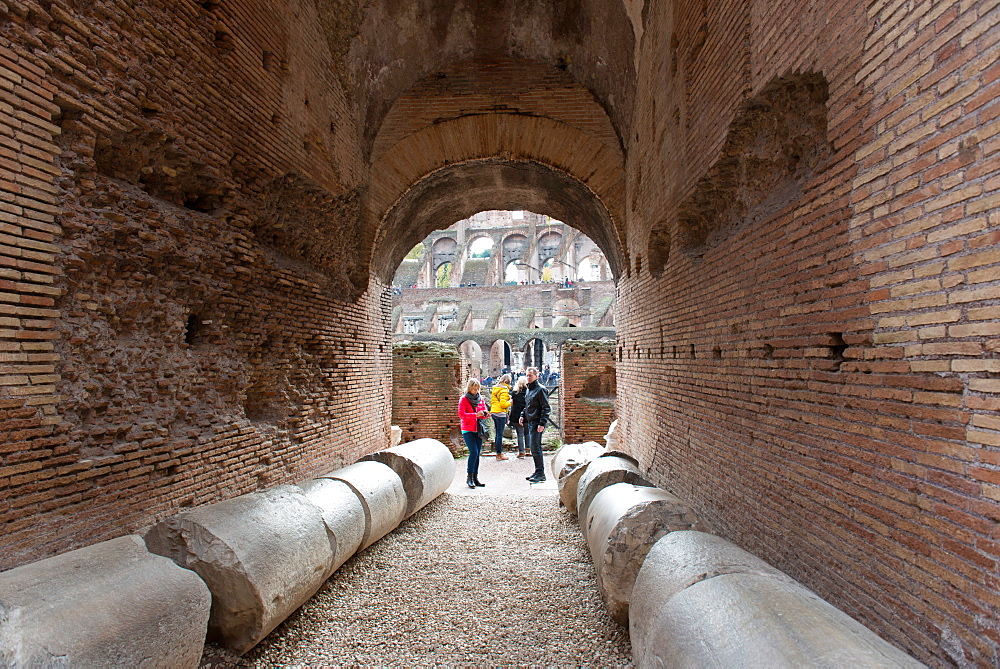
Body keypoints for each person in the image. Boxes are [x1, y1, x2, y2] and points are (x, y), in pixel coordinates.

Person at [520, 366, 550, 483]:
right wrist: (523, 414)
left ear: (536, 376)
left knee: (535, 447)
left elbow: (546, 407)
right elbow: (527, 404)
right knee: (534, 448)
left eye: (530, 375)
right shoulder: (529, 389)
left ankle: (541, 473)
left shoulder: (540, 390)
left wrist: (542, 422)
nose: (528, 377)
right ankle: (537, 471)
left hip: (537, 422)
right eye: (527, 375)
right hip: (531, 421)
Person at [458, 378, 489, 489]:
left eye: (477, 389)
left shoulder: (480, 399)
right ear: (469, 388)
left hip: (478, 429)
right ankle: (469, 477)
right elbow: (461, 415)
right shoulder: (464, 399)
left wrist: (485, 414)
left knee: (477, 453)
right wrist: (475, 415)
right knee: (474, 452)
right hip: (468, 429)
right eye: (474, 389)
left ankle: (475, 477)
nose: (476, 391)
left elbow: (484, 411)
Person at [489, 374, 512, 460]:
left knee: (497, 434)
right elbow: (503, 404)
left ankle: (498, 452)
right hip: (500, 413)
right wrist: (510, 402)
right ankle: (499, 454)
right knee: (499, 434)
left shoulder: (496, 388)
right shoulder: (504, 390)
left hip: (494, 412)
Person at [509, 375, 528, 458]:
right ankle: (528, 450)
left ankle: (521, 452)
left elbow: (512, 404)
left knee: (520, 434)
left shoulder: (514, 393)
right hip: (527, 415)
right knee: (527, 433)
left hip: (516, 415)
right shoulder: (529, 392)